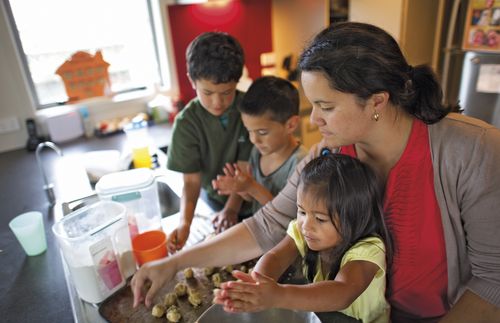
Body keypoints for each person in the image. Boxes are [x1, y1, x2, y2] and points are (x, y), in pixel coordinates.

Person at [131, 22, 500, 322]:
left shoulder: (472, 151)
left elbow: (491, 283)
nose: (313, 119)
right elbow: (269, 225)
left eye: (325, 106)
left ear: (377, 101)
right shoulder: (330, 153)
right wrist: (174, 263)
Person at [214, 154, 392, 323]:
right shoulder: (304, 232)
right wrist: (256, 284)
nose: (306, 225)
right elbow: (275, 257)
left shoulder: (369, 249)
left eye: (320, 219)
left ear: (354, 218)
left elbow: (342, 292)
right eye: (301, 211)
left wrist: (279, 295)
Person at [166, 31, 253, 253]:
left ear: (237, 81)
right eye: (208, 92)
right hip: (217, 200)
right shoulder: (187, 124)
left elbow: (245, 168)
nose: (217, 102)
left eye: (226, 92)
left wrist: (232, 209)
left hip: (256, 198)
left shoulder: (250, 110)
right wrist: (185, 223)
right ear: (191, 80)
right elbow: (192, 182)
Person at [212, 76, 308, 215]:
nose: (254, 139)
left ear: (291, 125)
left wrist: (252, 187)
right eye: (249, 131)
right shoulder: (258, 152)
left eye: (262, 132)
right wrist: (242, 188)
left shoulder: (301, 164)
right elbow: (254, 198)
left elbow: (288, 216)